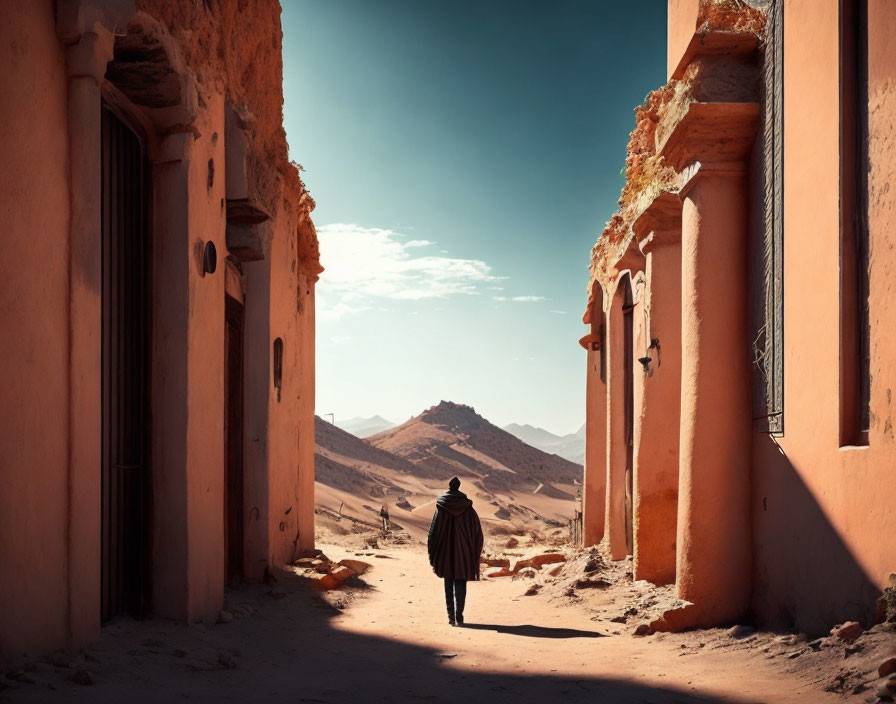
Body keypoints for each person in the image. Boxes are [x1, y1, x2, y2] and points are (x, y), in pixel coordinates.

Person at [427, 477, 484, 626]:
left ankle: (451, 617)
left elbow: (433, 532)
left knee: (448, 583)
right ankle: (459, 616)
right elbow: (478, 534)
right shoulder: (469, 509)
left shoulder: (441, 507)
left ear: (449, 487)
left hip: (445, 552)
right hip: (463, 553)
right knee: (460, 582)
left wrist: (432, 553)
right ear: (458, 487)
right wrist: (474, 554)